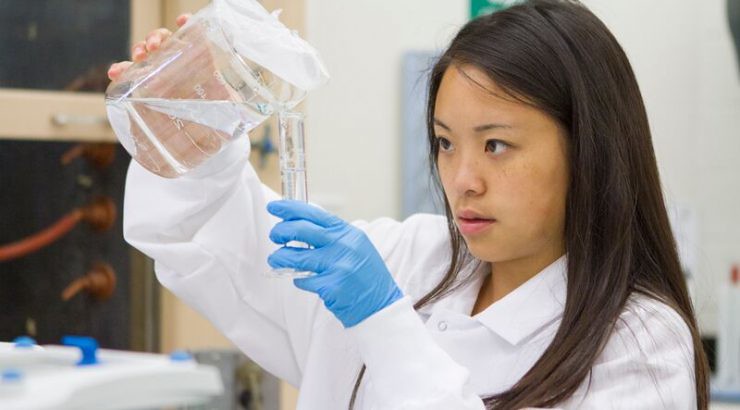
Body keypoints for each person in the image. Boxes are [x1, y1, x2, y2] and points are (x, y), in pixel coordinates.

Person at [109, 1, 709, 408]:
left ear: (590, 150)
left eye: (496, 144)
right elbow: (228, 249)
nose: (462, 180)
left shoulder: (640, 344)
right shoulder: (412, 257)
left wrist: (385, 326)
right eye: (446, 143)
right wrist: (193, 132)